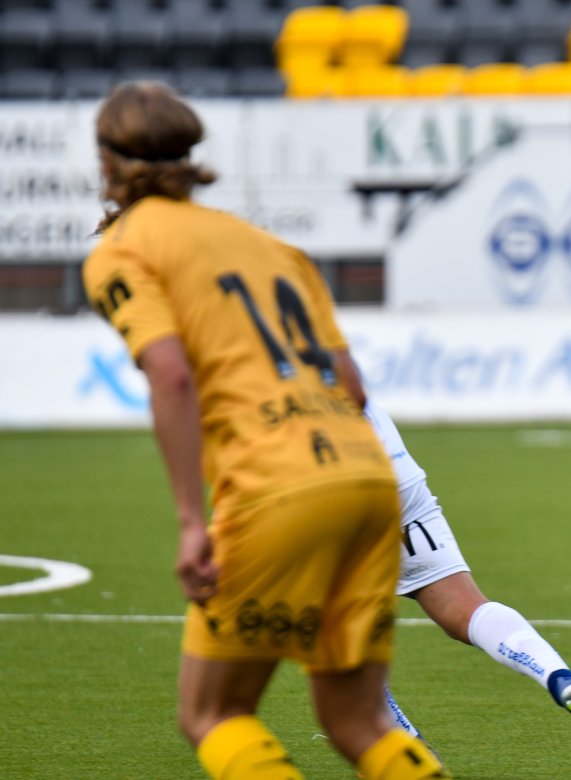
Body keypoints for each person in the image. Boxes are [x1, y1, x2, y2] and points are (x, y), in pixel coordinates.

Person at [82, 82, 447, 780]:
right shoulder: (270, 245)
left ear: (106, 161)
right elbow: (354, 387)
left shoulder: (121, 248)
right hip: (368, 481)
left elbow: (172, 376)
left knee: (213, 715)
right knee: (358, 721)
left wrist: (193, 519)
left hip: (277, 492)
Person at [363, 402, 571, 759]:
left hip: (320, 484)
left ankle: (405, 750)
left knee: (339, 633)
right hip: (397, 477)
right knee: (464, 609)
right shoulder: (324, 344)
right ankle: (559, 677)